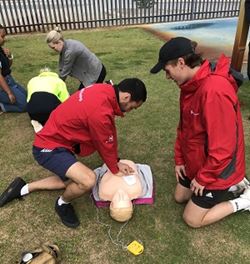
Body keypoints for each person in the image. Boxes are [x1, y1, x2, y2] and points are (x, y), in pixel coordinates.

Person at [0, 78, 147, 228]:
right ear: (126, 97)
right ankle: (62, 203)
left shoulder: (103, 89)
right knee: (88, 180)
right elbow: (104, 141)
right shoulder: (100, 112)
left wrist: (115, 160)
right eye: (132, 107)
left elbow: (108, 131)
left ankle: (23, 188)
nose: (129, 111)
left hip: (59, 141)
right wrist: (115, 166)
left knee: (71, 181)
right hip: (48, 148)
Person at [150, 36, 250, 228]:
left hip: (219, 169)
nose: (167, 77)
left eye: (167, 71)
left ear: (180, 63)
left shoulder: (214, 91)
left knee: (192, 219)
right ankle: (231, 185)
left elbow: (224, 148)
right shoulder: (188, 87)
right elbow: (184, 128)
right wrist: (180, 159)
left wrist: (204, 178)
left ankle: (243, 200)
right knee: (180, 197)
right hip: (198, 160)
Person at [26, 67, 70, 131]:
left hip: (32, 112)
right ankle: (52, 122)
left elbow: (28, 100)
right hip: (50, 112)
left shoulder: (32, 80)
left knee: (40, 112)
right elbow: (66, 100)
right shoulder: (59, 81)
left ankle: (36, 120)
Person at [0, 24, 27, 113]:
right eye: (2, 36)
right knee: (24, 106)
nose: (4, 39)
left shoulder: (1, 49)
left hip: (9, 80)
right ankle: (3, 106)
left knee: (28, 97)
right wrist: (9, 93)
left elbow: (7, 66)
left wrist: (9, 56)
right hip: (2, 85)